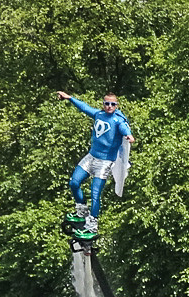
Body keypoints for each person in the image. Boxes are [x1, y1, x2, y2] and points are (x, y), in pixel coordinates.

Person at [54, 90, 132, 235]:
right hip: (91, 156)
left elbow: (124, 128)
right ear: (103, 104)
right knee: (74, 182)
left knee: (95, 193)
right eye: (107, 103)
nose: (109, 106)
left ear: (116, 105)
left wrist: (128, 135)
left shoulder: (118, 120)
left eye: (112, 104)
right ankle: (81, 210)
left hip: (105, 162)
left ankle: (92, 224)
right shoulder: (99, 114)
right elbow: (84, 107)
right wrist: (69, 98)